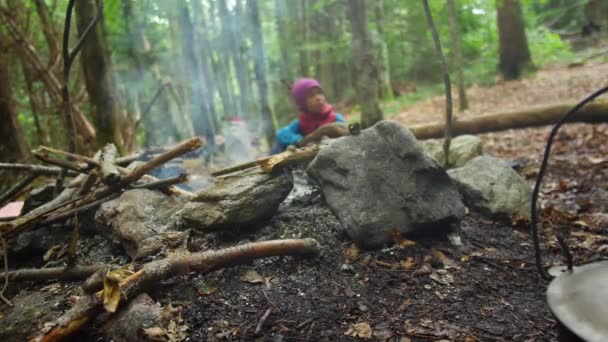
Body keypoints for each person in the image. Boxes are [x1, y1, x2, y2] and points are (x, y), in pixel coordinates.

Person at [270, 78, 349, 154]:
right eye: (311, 96)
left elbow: (346, 130)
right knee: (277, 146)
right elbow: (281, 133)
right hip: (310, 156)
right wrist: (300, 140)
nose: (318, 98)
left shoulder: (335, 117)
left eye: (320, 93)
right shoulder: (301, 122)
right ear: (302, 103)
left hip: (335, 154)